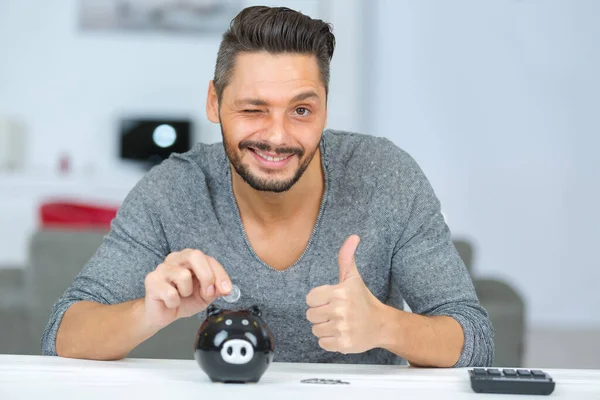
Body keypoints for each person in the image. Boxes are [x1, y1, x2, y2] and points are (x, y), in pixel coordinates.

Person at [42, 5, 494, 367]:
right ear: (214, 103)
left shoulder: (386, 176)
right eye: (254, 109)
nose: (278, 137)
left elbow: (475, 337)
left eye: (301, 110)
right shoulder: (172, 190)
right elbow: (61, 335)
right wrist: (148, 313)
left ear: (325, 108)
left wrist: (387, 327)